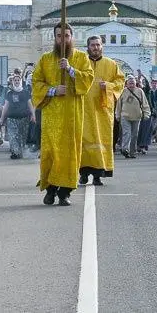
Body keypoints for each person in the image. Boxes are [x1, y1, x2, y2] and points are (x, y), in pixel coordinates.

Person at [32, 24, 94, 206]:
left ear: (72, 37)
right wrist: (52, 90)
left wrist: (70, 70)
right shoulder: (45, 59)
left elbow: (88, 79)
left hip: (72, 114)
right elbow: (36, 82)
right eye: (59, 36)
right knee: (51, 152)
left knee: (69, 152)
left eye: (66, 35)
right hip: (51, 115)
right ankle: (50, 190)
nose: (63, 39)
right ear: (55, 38)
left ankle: (65, 192)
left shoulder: (81, 57)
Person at [79, 36, 124, 185]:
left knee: (100, 140)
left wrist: (109, 85)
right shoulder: (81, 63)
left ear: (102, 46)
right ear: (88, 47)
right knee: (83, 140)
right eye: (93, 45)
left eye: (98, 45)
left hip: (102, 110)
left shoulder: (111, 64)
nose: (96, 48)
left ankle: (98, 174)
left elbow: (120, 82)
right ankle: (83, 174)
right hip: (83, 108)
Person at [0, 74, 34, 159]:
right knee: (13, 136)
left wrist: (33, 115)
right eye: (15, 80)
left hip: (24, 118)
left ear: (21, 81)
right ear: (12, 82)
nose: (17, 82)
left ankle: (20, 152)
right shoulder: (10, 93)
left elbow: (30, 105)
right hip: (12, 118)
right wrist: (2, 118)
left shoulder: (25, 92)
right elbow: (6, 106)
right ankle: (15, 152)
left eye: (18, 80)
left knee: (22, 137)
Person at [117, 75, 150, 160]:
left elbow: (145, 104)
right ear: (126, 84)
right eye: (130, 83)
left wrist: (146, 114)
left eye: (133, 83)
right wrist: (117, 115)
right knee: (126, 133)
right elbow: (119, 105)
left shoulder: (140, 91)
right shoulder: (123, 91)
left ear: (136, 83)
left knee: (134, 135)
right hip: (125, 116)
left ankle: (132, 152)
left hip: (136, 116)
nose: (131, 84)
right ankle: (125, 149)